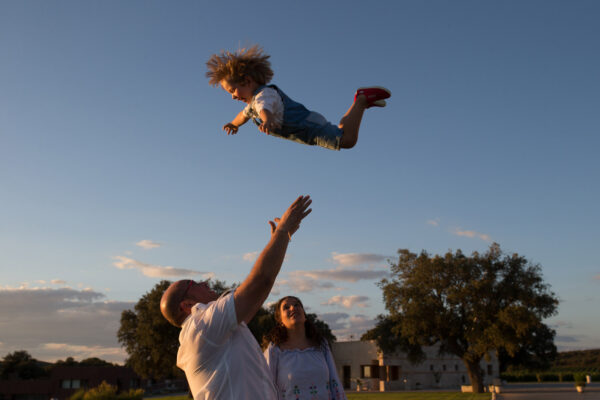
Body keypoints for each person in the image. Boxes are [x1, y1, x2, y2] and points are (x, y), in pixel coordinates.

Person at [160, 195, 312, 400]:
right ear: (187, 305)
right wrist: (283, 233)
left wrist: (278, 242)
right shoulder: (201, 326)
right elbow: (260, 282)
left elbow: (257, 294)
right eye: (194, 284)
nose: (205, 283)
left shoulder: (216, 333)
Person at [206, 45, 391, 151]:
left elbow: (265, 109)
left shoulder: (264, 96)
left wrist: (267, 120)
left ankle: (361, 101)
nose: (232, 97)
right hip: (308, 125)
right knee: (342, 131)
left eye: (233, 90)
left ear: (247, 81)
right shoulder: (253, 102)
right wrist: (233, 124)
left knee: (347, 141)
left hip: (309, 127)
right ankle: (361, 103)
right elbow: (243, 115)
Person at [263, 296, 347, 400]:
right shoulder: (274, 351)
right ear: (280, 320)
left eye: (297, 305)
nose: (293, 308)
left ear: (304, 315)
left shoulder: (321, 345)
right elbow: (266, 389)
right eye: (286, 307)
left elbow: (334, 382)